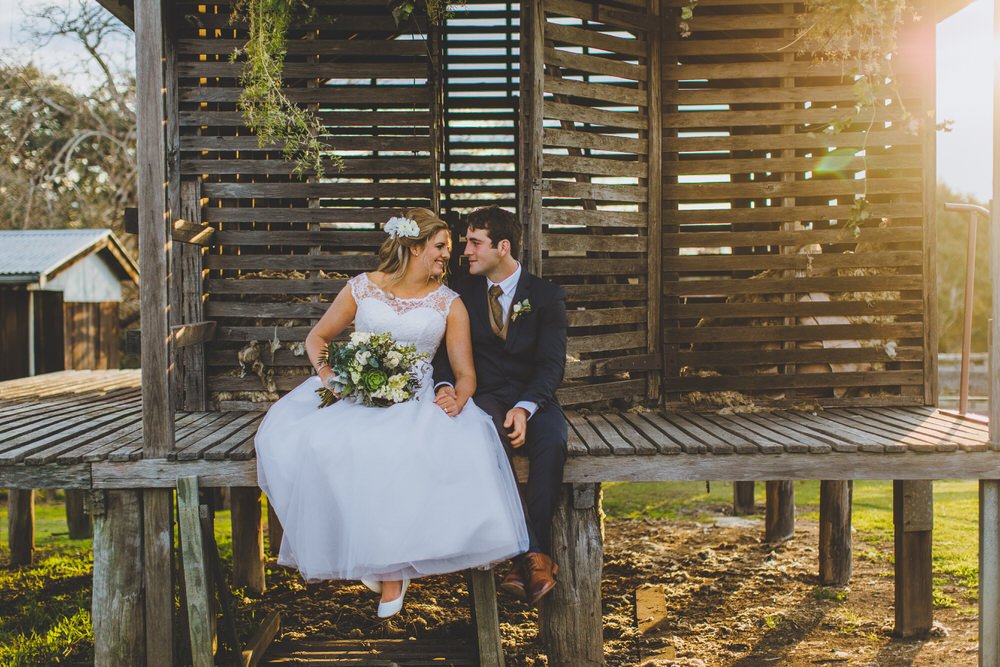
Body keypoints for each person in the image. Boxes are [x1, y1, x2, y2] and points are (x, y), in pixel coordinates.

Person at [255, 208, 529, 619]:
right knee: (322, 446)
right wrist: (329, 375)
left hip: (416, 398)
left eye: (448, 248)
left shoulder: (449, 303)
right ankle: (376, 557)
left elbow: (465, 374)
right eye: (440, 246)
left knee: (400, 450)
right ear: (414, 247)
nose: (447, 255)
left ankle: (391, 570)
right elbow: (318, 337)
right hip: (357, 392)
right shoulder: (363, 287)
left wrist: (458, 397)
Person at [432, 205, 568, 604]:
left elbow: (551, 365)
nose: (466, 252)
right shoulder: (461, 293)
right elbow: (444, 354)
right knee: (490, 440)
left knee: (552, 444)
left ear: (502, 247)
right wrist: (446, 386)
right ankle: (534, 556)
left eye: (475, 243)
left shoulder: (546, 296)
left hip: (535, 397)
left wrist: (525, 407)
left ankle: (526, 557)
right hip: (485, 396)